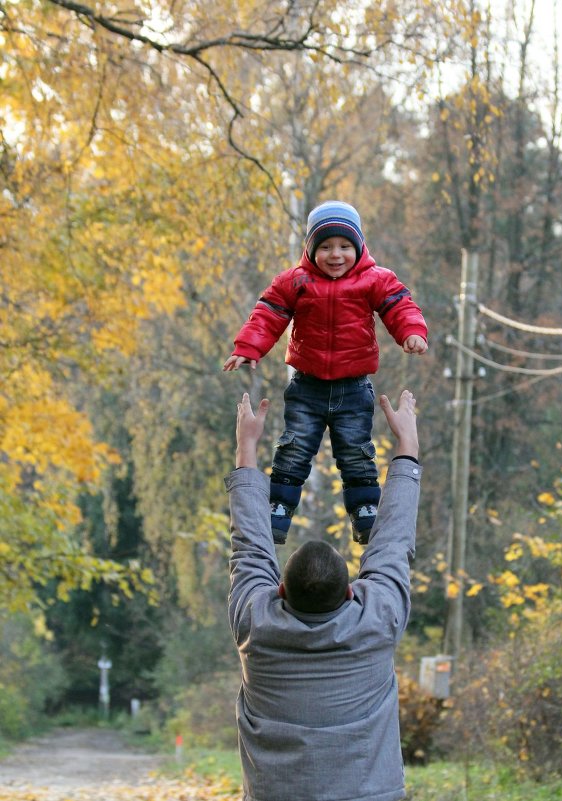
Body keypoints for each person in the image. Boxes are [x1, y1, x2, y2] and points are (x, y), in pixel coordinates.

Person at [225, 389, 422, 801]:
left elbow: (250, 546)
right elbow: (393, 541)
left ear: (280, 590)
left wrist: (247, 445)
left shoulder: (255, 624)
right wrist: (407, 442)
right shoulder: (377, 619)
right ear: (351, 592)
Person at [223, 200, 428, 544]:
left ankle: (365, 513)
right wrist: (248, 348)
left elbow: (399, 304)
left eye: (345, 246)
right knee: (294, 447)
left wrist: (411, 332)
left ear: (359, 247)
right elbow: (268, 314)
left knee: (356, 450)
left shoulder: (374, 280)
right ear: (310, 248)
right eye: (326, 247)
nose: (336, 255)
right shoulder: (296, 281)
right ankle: (278, 510)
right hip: (307, 386)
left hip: (353, 386)